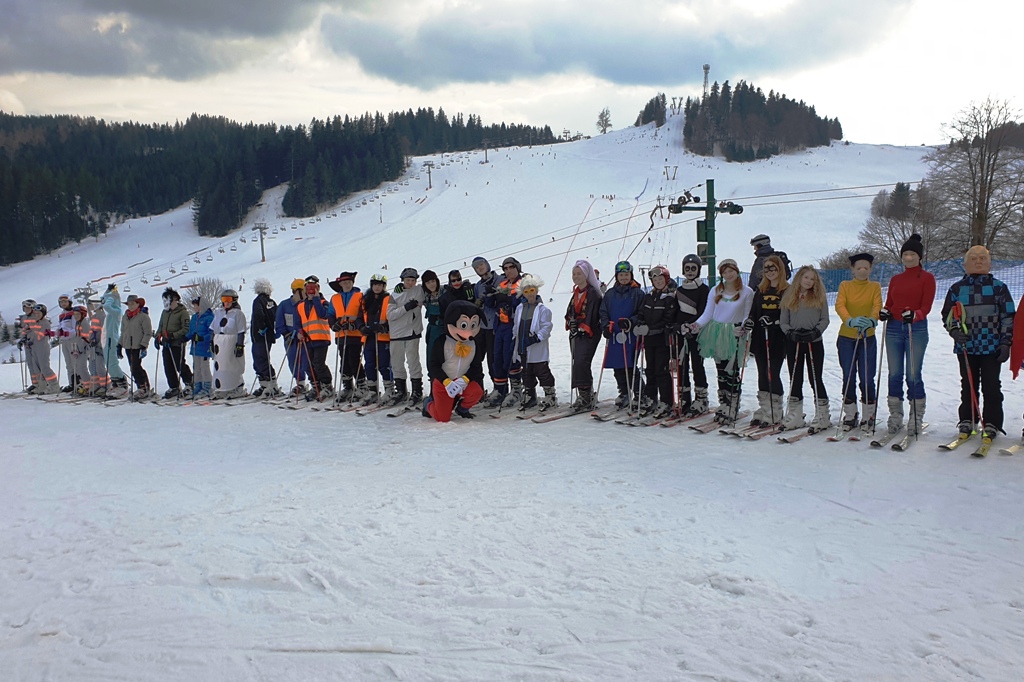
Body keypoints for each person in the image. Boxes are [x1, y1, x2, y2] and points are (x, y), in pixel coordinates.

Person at [941, 245, 1014, 444]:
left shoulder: (999, 287)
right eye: (973, 258)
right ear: (965, 264)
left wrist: (1006, 342)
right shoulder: (957, 288)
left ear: (990, 263)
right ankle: (968, 419)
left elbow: (1008, 316)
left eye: (983, 258)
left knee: (991, 385)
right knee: (969, 384)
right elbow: (948, 314)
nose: (978, 261)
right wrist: (955, 331)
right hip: (967, 347)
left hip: (991, 346)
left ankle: (992, 422)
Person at [879, 233, 935, 436]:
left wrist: (916, 314)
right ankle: (895, 414)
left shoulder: (927, 278)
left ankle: (916, 415)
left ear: (919, 257)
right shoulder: (896, 279)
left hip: (916, 328)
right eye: (906, 254)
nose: (909, 257)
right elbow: (890, 303)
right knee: (894, 373)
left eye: (912, 254)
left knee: (913, 373)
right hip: (894, 327)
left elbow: (926, 306)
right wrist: (885, 311)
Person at [690, 259, 754, 425]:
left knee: (731, 369)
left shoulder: (747, 292)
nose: (728, 274)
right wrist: (697, 324)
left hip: (733, 332)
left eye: (730, 270)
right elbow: (708, 313)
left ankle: (733, 404)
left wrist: (744, 328)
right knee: (720, 369)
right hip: (716, 332)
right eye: (725, 272)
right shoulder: (716, 290)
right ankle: (724, 403)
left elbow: (747, 314)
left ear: (737, 271)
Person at [779, 265, 832, 431]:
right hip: (794, 340)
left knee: (815, 376)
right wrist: (789, 332)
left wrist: (816, 331)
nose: (809, 281)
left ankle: (822, 414)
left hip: (813, 341)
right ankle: (795, 414)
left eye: (812, 279)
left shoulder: (819, 297)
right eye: (806, 278)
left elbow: (825, 319)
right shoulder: (789, 296)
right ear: (799, 278)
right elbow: (783, 320)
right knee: (795, 377)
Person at [834, 253, 882, 432]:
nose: (862, 271)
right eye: (859, 267)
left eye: (866, 268)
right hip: (847, 337)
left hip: (867, 338)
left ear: (870, 269)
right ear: (852, 270)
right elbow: (840, 305)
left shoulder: (874, 287)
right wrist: (850, 320)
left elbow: (877, 305)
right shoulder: (845, 285)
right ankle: (850, 414)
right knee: (849, 375)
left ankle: (868, 414)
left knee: (867, 377)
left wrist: (872, 320)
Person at [423, 300, 486, 422]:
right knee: (443, 418)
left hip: (463, 383)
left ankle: (462, 408)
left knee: (476, 392)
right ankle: (428, 403)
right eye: (464, 325)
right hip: (444, 384)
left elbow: (476, 366)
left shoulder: (474, 344)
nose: (468, 332)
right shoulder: (441, 342)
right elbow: (434, 365)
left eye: (472, 325)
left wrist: (465, 379)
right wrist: (446, 381)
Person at [746, 254, 790, 427]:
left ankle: (776, 408)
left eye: (773, 268)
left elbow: (787, 313)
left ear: (780, 269)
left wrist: (774, 321)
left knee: (773, 372)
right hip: (759, 336)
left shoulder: (787, 290)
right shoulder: (761, 289)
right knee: (761, 371)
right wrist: (750, 320)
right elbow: (754, 310)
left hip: (777, 337)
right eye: (767, 269)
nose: (770, 271)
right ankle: (764, 407)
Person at [599, 261, 645, 409]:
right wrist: (605, 326)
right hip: (615, 334)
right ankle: (624, 392)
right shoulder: (610, 294)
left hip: (631, 334)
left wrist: (631, 322)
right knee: (617, 365)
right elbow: (603, 311)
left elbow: (642, 312)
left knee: (630, 365)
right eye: (621, 275)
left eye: (626, 275)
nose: (624, 278)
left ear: (631, 275)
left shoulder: (637, 293)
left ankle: (640, 393)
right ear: (616, 276)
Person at [634, 264, 679, 418]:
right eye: (655, 279)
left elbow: (668, 320)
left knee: (661, 370)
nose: (658, 281)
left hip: (663, 340)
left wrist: (650, 329)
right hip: (649, 340)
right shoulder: (648, 297)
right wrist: (640, 324)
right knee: (650, 370)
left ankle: (667, 401)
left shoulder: (670, 298)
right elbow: (641, 313)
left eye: (661, 279)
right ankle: (651, 398)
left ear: (666, 280)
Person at [483, 256, 525, 407]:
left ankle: (516, 390)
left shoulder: (523, 283)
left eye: (511, 267)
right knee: (497, 358)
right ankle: (499, 389)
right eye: (505, 268)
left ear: (517, 267)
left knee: (511, 357)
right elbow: (493, 304)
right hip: (500, 325)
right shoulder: (502, 284)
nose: (508, 271)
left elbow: (525, 302)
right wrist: (489, 295)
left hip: (513, 326)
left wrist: (509, 300)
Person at [512, 274, 557, 411]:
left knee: (542, 371)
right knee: (527, 372)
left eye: (532, 290)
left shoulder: (543, 310)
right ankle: (530, 395)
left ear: (536, 291)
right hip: (523, 347)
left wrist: (536, 337)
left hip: (536, 347)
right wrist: (515, 339)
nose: (530, 294)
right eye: (526, 291)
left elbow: (547, 327)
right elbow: (516, 326)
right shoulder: (520, 309)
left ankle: (550, 396)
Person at [675, 254, 711, 416]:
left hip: (697, 333)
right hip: (682, 333)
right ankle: (684, 398)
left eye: (693, 268)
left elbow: (704, 309)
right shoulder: (680, 290)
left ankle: (701, 399)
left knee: (697, 364)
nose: (690, 271)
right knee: (682, 364)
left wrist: (692, 325)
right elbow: (675, 311)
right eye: (687, 268)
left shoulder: (704, 289)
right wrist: (679, 326)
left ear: (698, 270)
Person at [565, 259, 603, 411]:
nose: (576, 276)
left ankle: (585, 396)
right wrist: (571, 321)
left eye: (579, 273)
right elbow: (569, 311)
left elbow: (592, 315)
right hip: (577, 333)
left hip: (589, 333)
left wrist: (581, 325)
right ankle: (586, 392)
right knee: (578, 362)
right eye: (574, 274)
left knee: (581, 361)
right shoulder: (576, 292)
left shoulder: (593, 293)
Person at [387, 267, 425, 405]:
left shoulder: (419, 290)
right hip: (396, 333)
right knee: (397, 363)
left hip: (412, 331)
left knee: (413, 362)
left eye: (413, 280)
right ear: (402, 280)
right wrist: (406, 308)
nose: (411, 283)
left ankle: (417, 391)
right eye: (408, 280)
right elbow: (390, 315)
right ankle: (401, 391)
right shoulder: (394, 295)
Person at [327, 272, 364, 402]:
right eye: (344, 283)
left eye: (349, 282)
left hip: (355, 334)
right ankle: (348, 386)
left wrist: (356, 325)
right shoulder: (335, 298)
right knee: (344, 361)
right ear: (340, 285)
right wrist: (334, 325)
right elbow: (330, 314)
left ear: (352, 283)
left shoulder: (360, 296)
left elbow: (362, 313)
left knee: (354, 359)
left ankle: (362, 386)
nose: (346, 285)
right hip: (341, 334)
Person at [296, 275, 333, 401]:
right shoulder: (301, 305)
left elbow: (323, 314)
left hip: (321, 337)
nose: (311, 290)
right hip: (308, 340)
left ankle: (327, 386)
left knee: (318, 363)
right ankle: (316, 386)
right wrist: (299, 331)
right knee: (308, 365)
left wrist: (316, 299)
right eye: (308, 288)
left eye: (314, 287)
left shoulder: (323, 302)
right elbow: (298, 322)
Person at [154, 287, 194, 399]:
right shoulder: (165, 313)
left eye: (168, 300)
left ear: (175, 300)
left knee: (179, 364)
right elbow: (161, 326)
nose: (166, 304)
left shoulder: (183, 312)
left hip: (177, 343)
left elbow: (186, 329)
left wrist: (174, 335)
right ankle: (174, 386)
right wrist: (158, 336)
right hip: (166, 343)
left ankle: (190, 383)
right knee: (168, 365)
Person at [360, 273, 393, 404]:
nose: (377, 287)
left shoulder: (388, 299)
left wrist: (385, 326)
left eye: (380, 285)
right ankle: (373, 390)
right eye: (375, 285)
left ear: (384, 286)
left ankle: (389, 389)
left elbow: (392, 316)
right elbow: (359, 316)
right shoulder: (365, 300)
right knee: (369, 364)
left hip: (383, 336)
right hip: (369, 337)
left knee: (384, 364)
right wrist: (362, 327)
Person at [211, 288, 248, 399]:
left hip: (231, 341)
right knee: (221, 367)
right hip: (219, 343)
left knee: (232, 365)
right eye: (224, 299)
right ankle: (222, 388)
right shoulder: (218, 313)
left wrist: (240, 345)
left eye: (228, 299)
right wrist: (211, 342)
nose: (226, 302)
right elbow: (213, 328)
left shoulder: (238, 314)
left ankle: (237, 387)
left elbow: (241, 330)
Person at [472, 256, 500, 398]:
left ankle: (498, 389)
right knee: (476, 359)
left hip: (495, 325)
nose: (480, 268)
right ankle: (478, 391)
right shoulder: (478, 285)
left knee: (493, 360)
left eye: (481, 265)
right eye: (477, 267)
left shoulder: (499, 280)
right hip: (481, 326)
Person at [276, 278, 311, 397]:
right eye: (304, 291)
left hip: (305, 338)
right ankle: (300, 383)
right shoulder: (284, 305)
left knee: (307, 362)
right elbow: (279, 325)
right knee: (293, 362)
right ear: (297, 291)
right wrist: (288, 335)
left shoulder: (306, 304)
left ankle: (314, 383)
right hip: (291, 339)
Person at [249, 278, 281, 397]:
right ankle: (266, 385)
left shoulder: (258, 301)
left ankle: (270, 385)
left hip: (259, 335)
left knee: (259, 359)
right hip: (268, 335)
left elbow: (258, 315)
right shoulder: (271, 302)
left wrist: (261, 327)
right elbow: (276, 316)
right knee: (263, 358)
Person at [19, 303, 60, 394]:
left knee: (44, 367)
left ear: (43, 313)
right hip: (34, 347)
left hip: (42, 347)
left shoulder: (45, 323)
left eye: (38, 313)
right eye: (35, 313)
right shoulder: (34, 322)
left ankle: (54, 385)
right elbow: (27, 330)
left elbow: (40, 335)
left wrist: (31, 339)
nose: (36, 315)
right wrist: (24, 339)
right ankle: (41, 386)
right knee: (36, 368)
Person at [120, 294, 154, 398]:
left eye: (132, 304)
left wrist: (144, 345)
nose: (130, 306)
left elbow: (147, 332)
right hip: (127, 345)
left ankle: (143, 387)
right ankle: (142, 386)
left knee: (135, 367)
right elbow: (123, 332)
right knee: (133, 367)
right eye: (129, 304)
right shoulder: (125, 317)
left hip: (137, 345)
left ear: (138, 304)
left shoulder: (143, 317)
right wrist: (119, 345)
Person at [99, 284, 128, 397]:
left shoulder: (117, 311)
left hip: (113, 339)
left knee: (112, 363)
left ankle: (122, 383)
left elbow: (106, 305)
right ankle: (115, 383)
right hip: (107, 340)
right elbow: (104, 301)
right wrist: (108, 291)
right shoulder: (110, 314)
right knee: (108, 363)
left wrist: (113, 297)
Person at [187, 295, 214, 399]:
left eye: (196, 305)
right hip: (195, 347)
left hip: (204, 347)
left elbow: (212, 333)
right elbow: (191, 331)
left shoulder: (209, 317)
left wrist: (202, 338)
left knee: (204, 367)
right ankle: (198, 386)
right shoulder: (194, 317)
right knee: (196, 367)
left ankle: (207, 387)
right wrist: (185, 337)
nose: (194, 308)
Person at [82, 297, 109, 397]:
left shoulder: (102, 316)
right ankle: (97, 385)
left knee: (100, 367)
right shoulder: (95, 316)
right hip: (93, 345)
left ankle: (106, 385)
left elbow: (104, 332)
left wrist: (100, 344)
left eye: (92, 305)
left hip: (99, 346)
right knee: (93, 367)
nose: (91, 307)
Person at [55, 294, 78, 392]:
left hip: (73, 341)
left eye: (65, 301)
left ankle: (78, 382)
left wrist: (66, 333)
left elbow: (75, 329)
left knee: (75, 362)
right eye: (61, 302)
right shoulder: (62, 315)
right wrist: (58, 332)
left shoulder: (73, 313)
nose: (63, 304)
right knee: (68, 363)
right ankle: (72, 383)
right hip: (64, 341)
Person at [422, 270, 445, 363]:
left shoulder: (445, 291)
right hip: (433, 331)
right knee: (432, 356)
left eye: (433, 281)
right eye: (428, 282)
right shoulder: (424, 295)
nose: (431, 284)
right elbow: (409, 290)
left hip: (446, 329)